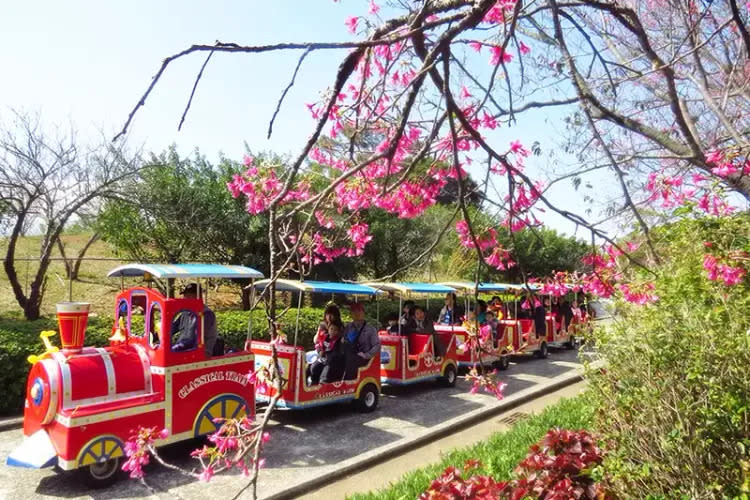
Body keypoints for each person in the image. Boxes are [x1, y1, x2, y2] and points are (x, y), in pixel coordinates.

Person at [172, 283, 217, 355]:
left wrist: (176, 348)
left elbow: (194, 339)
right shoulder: (186, 313)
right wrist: (156, 336)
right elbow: (173, 327)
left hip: (200, 355)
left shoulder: (206, 315)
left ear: (198, 297)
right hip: (183, 351)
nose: (185, 298)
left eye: (189, 296)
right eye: (185, 296)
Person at [343, 303, 380, 378]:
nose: (356, 313)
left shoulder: (370, 329)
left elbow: (377, 346)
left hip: (363, 357)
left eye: (359, 311)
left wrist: (367, 355)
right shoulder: (348, 327)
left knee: (352, 361)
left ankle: (348, 383)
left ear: (363, 313)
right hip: (349, 355)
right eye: (354, 311)